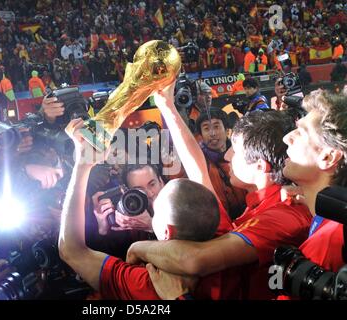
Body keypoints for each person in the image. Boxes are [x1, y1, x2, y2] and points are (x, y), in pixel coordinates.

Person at [126, 81, 313, 300]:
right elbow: (200, 174)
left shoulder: (283, 215)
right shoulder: (261, 205)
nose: (227, 156)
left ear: (261, 165)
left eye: (235, 150)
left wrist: (137, 248)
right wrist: (167, 106)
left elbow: (195, 260)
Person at [58, 118, 220, 299]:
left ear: (161, 181)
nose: (149, 194)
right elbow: (103, 258)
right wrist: (103, 230)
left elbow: (72, 251)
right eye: (139, 190)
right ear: (126, 192)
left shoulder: (148, 283)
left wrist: (150, 227)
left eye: (152, 184)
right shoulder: (123, 218)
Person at [281, 90, 347, 284]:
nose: (287, 138)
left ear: (328, 157)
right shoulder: (329, 220)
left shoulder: (328, 242)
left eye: (301, 132)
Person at [195, 108, 247, 219]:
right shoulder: (200, 163)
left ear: (227, 130)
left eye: (216, 127)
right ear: (201, 135)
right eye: (206, 129)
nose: (212, 133)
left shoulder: (242, 154)